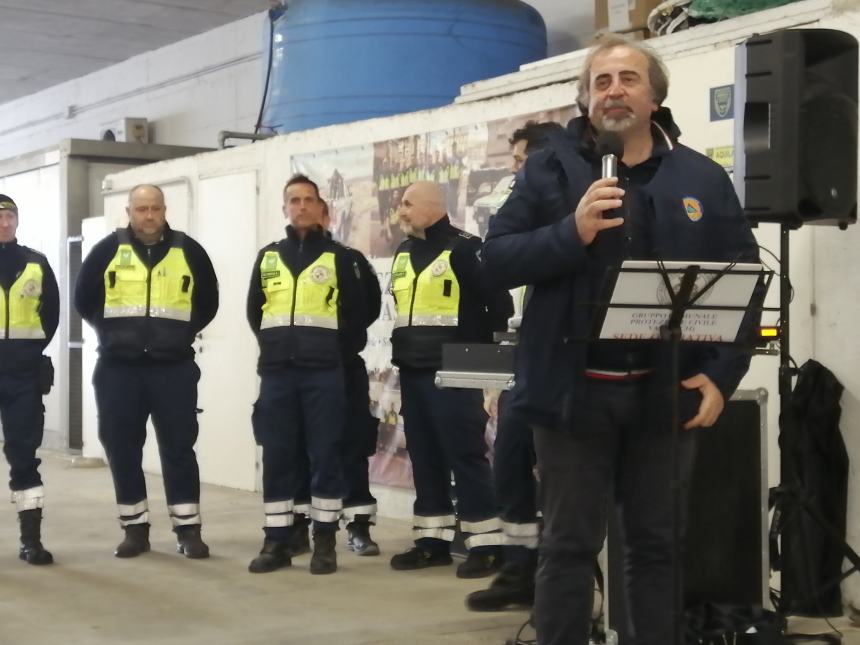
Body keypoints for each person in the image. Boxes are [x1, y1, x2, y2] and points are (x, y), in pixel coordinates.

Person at [482, 35, 761, 644]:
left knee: (657, 545)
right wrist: (570, 231)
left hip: (664, 399)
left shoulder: (702, 178)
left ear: (654, 95)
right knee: (568, 547)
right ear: (585, 99)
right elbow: (494, 261)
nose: (614, 91)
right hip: (571, 396)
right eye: (601, 81)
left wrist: (721, 374)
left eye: (628, 79)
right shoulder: (549, 170)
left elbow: (743, 283)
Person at [75, 184, 219, 559]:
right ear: (129, 211)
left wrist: (179, 335)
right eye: (142, 209)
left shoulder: (188, 250)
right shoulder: (108, 250)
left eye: (155, 208)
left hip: (173, 370)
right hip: (118, 370)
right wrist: (112, 334)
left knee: (178, 449)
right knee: (122, 449)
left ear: (164, 209)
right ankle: (134, 529)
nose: (149, 215)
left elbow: (208, 302)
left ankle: (188, 529)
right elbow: (84, 299)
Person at [387, 180, 512, 578]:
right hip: (412, 368)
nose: (401, 211)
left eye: (407, 204)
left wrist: (486, 371)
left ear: (431, 206)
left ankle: (487, 545)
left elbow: (499, 306)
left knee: (465, 454)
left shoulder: (465, 248)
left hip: (456, 367)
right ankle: (431, 542)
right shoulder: (404, 252)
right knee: (424, 456)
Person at [466, 119, 565, 611]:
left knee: (562, 472)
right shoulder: (518, 221)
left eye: (523, 162)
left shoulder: (567, 214)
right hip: (521, 354)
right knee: (508, 460)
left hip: (562, 357)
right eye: (514, 163)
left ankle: (557, 574)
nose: (516, 173)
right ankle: (517, 568)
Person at [246, 174, 366, 575]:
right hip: (278, 374)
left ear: (320, 208)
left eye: (308, 200)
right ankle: (277, 541)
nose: (300, 206)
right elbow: (255, 312)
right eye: (293, 200)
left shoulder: (341, 259)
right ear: (284, 208)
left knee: (325, 455)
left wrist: (330, 350)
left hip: (323, 375)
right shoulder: (267, 257)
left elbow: (360, 314)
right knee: (278, 455)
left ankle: (325, 543)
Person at [288, 200, 383, 558]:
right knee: (299, 448)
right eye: (296, 204)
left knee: (352, 443)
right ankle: (299, 527)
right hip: (299, 370)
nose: (306, 212)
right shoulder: (281, 259)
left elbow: (368, 308)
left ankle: (358, 526)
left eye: (315, 208)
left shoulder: (350, 260)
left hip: (344, 369)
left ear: (328, 218)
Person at [0, 194, 59, 565]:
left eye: (9, 216)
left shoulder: (36, 264)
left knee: (25, 457)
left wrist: (25, 353)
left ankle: (30, 541)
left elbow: (50, 316)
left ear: (17, 221)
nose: (4, 223)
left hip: (22, 377)